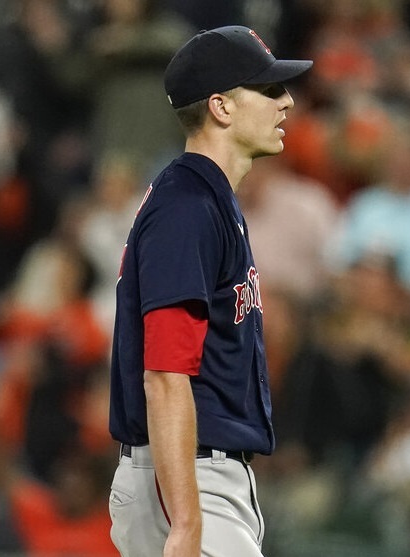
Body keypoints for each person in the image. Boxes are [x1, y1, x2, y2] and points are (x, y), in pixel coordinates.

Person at [106, 25, 311, 557]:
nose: (286, 101)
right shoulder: (188, 208)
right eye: (268, 90)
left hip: (196, 475)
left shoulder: (205, 199)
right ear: (221, 106)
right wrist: (188, 523)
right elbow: (166, 373)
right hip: (189, 479)